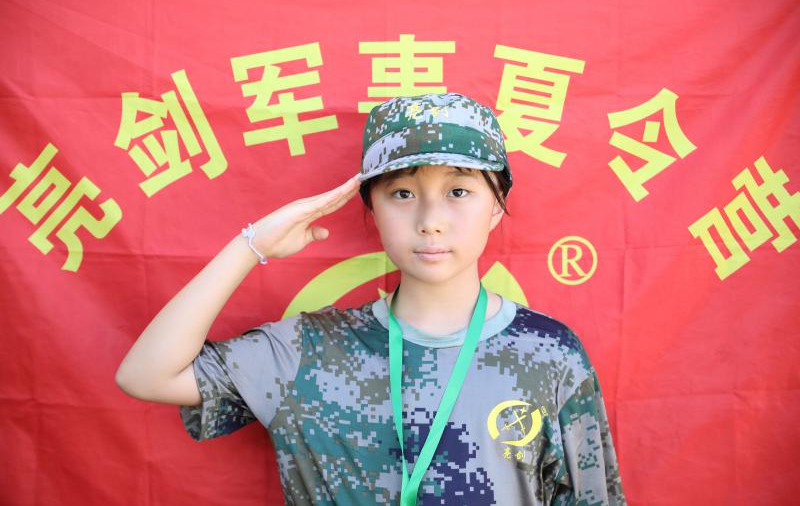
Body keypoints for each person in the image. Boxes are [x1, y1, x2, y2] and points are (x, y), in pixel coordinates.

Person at [115, 92, 626, 505]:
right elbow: (145, 376)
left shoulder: (549, 353)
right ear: (371, 209)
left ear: (497, 206)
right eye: (402, 193)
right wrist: (252, 246)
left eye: (459, 191)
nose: (430, 220)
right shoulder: (308, 351)